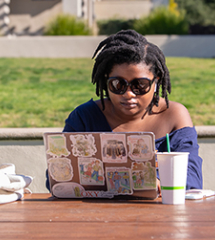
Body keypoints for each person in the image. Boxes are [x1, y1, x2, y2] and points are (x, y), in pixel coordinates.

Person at [63, 30, 203, 190]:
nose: (128, 94)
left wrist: (155, 182)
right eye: (118, 84)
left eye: (139, 85)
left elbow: (191, 179)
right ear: (106, 81)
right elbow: (59, 177)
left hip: (159, 213)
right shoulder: (84, 117)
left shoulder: (174, 116)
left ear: (155, 82)